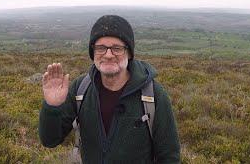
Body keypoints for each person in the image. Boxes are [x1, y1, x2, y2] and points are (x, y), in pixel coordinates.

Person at [39, 15, 180, 163]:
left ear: (129, 52)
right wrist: (52, 106)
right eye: (101, 48)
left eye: (116, 48)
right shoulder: (81, 89)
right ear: (92, 53)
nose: (108, 55)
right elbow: (50, 140)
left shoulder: (153, 95)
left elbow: (169, 156)